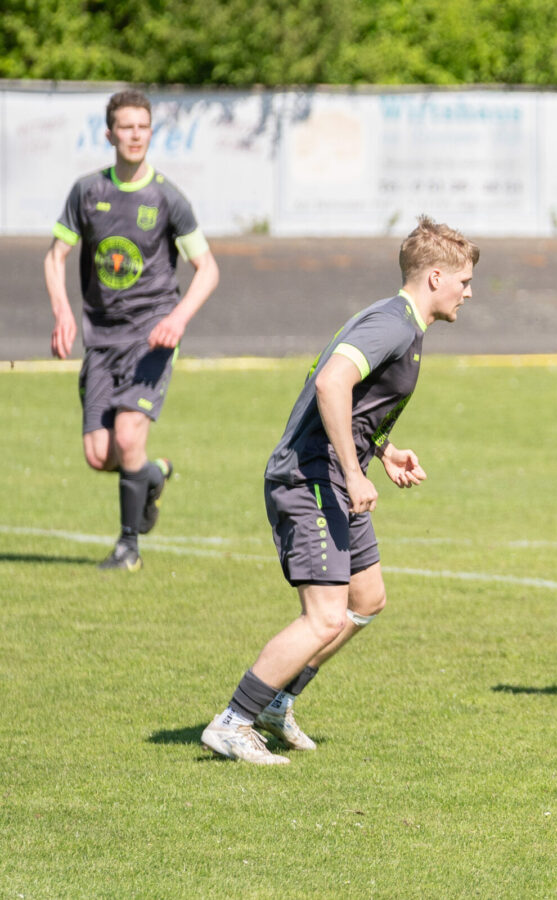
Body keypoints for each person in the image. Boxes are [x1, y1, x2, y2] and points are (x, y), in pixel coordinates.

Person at [200, 217, 478, 764]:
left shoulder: (398, 322)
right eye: (464, 281)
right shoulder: (392, 325)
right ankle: (233, 722)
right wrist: (353, 472)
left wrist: (382, 449)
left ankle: (277, 701)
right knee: (325, 616)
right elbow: (330, 383)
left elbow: (353, 399)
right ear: (436, 277)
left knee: (366, 599)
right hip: (312, 478)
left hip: (332, 472)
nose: (468, 292)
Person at [43, 89, 220, 570]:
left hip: (152, 337)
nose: (135, 135)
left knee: (127, 435)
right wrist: (62, 312)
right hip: (102, 340)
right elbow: (55, 256)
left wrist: (177, 319)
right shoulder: (87, 192)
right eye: (126, 127)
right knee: (99, 454)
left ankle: (128, 548)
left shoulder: (167, 197)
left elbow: (208, 269)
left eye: (143, 127)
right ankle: (153, 476)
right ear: (110, 134)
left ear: (151, 132)